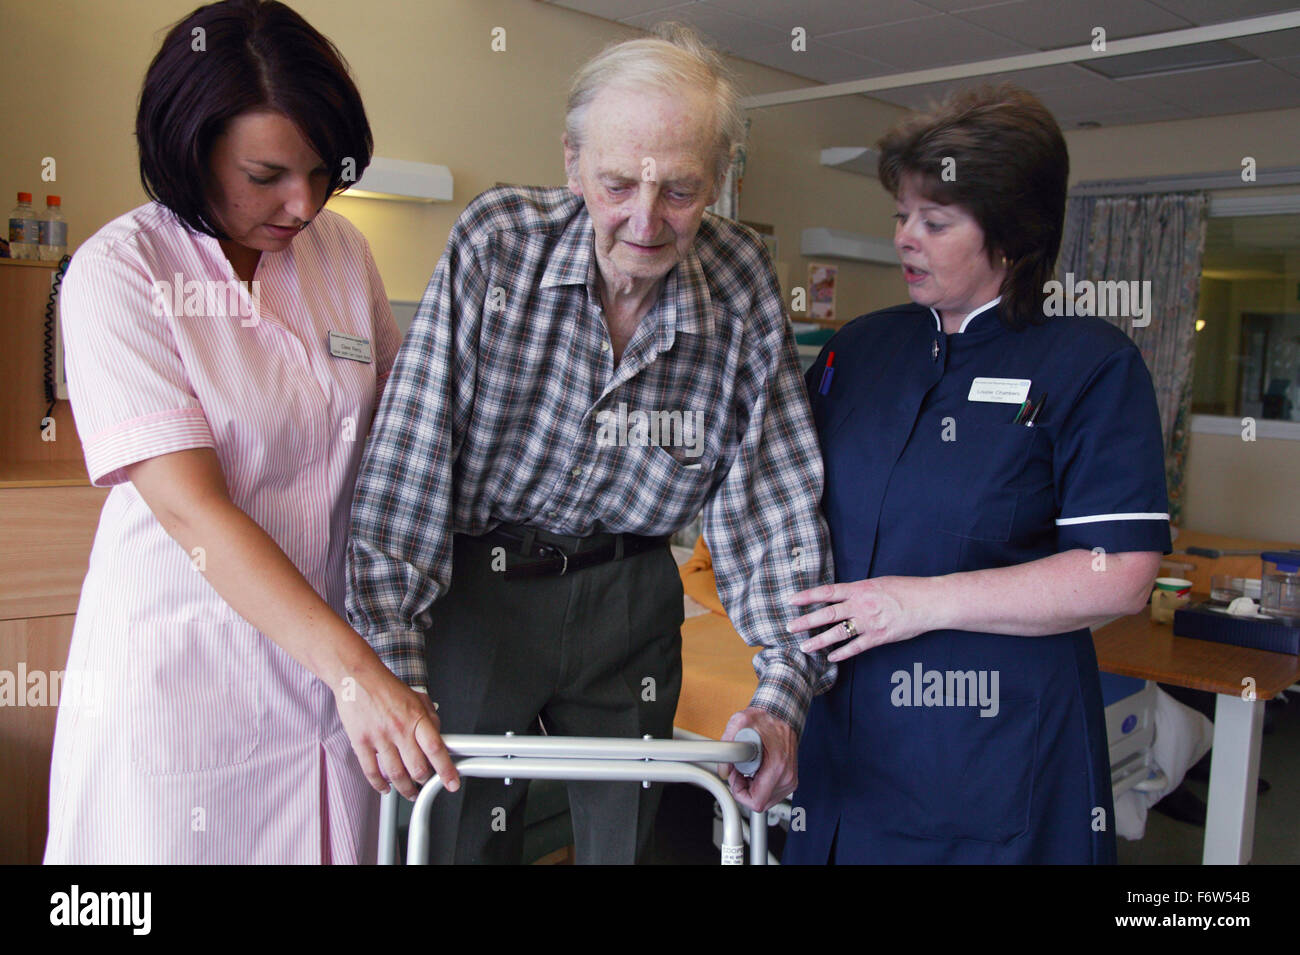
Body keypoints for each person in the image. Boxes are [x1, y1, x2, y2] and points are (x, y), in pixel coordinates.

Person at [347, 24, 832, 864]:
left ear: (718, 180)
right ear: (571, 162)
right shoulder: (498, 244)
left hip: (630, 594)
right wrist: (394, 668)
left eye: (680, 191)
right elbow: (407, 472)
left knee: (627, 845)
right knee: (457, 837)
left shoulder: (744, 279)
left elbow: (773, 502)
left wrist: (783, 693)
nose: (646, 222)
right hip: (480, 589)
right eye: (616, 184)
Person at [45, 0, 456, 865]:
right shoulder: (121, 274)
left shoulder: (339, 253)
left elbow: (401, 435)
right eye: (266, 174)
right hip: (187, 682)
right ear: (190, 150)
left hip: (329, 686)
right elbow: (194, 511)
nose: (302, 203)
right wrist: (354, 670)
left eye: (318, 172)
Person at [784, 84, 1170, 865]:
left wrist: (917, 602)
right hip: (845, 750)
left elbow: (1121, 574)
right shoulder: (856, 352)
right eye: (901, 216)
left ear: (1012, 233)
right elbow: (783, 496)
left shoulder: (1090, 364)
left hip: (991, 760)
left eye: (935, 221)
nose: (904, 240)